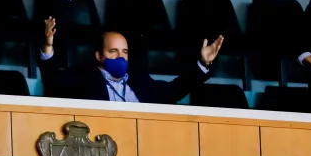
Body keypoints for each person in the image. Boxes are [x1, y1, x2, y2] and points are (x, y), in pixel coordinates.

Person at [40, 20, 223, 103]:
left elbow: (173, 91)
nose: (120, 57)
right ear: (99, 56)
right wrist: (48, 48)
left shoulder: (139, 79)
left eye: (124, 52)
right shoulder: (84, 77)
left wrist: (203, 64)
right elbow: (53, 83)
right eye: (113, 51)